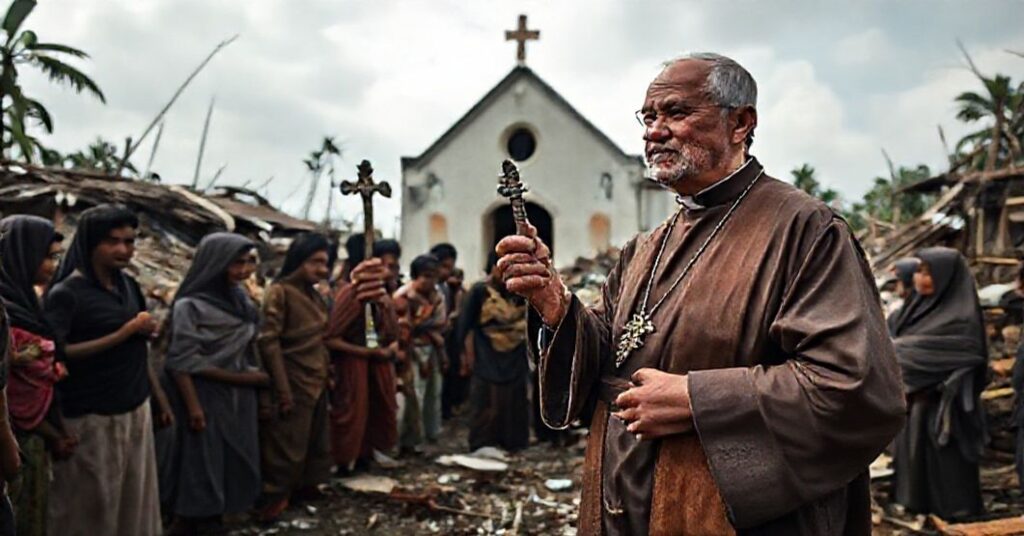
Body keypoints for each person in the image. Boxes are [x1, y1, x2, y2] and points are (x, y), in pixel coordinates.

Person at [496, 53, 905, 534]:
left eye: (676, 113)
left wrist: (696, 398)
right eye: (648, 118)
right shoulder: (643, 248)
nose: (654, 131)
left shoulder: (805, 230)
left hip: (730, 515)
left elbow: (856, 388)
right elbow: (607, 353)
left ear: (740, 123)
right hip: (625, 499)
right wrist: (554, 303)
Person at [43, 204, 167, 536]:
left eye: (130, 241)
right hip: (91, 417)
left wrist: (158, 399)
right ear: (91, 243)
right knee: (89, 508)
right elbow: (57, 355)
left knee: (131, 504)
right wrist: (124, 332)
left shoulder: (129, 287)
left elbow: (139, 348)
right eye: (113, 241)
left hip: (132, 408)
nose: (124, 250)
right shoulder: (67, 293)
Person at [160, 233, 269, 534]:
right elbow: (181, 361)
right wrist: (195, 406)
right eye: (237, 263)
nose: (245, 269)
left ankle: (221, 513)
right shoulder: (190, 306)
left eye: (249, 262)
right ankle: (196, 519)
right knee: (201, 460)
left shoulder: (241, 300)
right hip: (202, 395)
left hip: (239, 398)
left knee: (235, 457)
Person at [891, 247, 986, 520]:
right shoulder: (915, 309)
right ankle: (920, 508)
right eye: (919, 271)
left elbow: (964, 351)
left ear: (945, 277)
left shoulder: (961, 316)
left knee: (948, 473)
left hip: (948, 407)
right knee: (915, 465)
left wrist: (901, 355)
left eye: (926, 272)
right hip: (916, 403)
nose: (919, 278)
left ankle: (958, 515)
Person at [0, 215, 75, 536]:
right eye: (47, 256)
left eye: (56, 256)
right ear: (22, 253)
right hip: (14, 440)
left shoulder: (28, 303)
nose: (52, 265)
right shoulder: (7, 308)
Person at [256, 232, 333, 520]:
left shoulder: (315, 295)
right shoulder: (280, 292)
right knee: (286, 442)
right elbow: (269, 341)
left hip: (316, 376)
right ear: (299, 260)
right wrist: (283, 387)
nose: (322, 270)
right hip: (291, 376)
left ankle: (302, 488)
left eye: (326, 264)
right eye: (315, 262)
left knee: (312, 440)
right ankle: (273, 496)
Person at [325, 234, 400, 471]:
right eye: (387, 266)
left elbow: (392, 334)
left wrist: (387, 348)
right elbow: (331, 338)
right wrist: (364, 352)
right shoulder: (352, 293)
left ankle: (367, 454)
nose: (392, 271)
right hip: (353, 363)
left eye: (395, 266)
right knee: (352, 411)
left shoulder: (384, 294)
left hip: (376, 363)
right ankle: (344, 459)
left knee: (376, 409)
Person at [459, 252, 529, 452]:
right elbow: (465, 327)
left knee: (514, 399)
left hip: (515, 353)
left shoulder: (520, 292)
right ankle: (483, 443)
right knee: (486, 400)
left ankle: (513, 442)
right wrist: (465, 357)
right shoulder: (479, 292)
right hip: (486, 353)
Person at [393, 255, 447, 446]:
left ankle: (430, 434)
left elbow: (441, 323)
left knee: (433, 393)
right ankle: (410, 440)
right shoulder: (403, 296)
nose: (430, 281)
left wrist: (426, 329)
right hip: (410, 350)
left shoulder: (437, 295)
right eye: (425, 276)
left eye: (433, 276)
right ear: (416, 276)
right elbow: (405, 328)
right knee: (414, 395)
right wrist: (426, 329)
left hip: (431, 348)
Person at [431, 243, 466, 420]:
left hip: (446, 338)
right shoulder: (428, 289)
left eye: (450, 268)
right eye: (444, 267)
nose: (446, 272)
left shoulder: (448, 288)